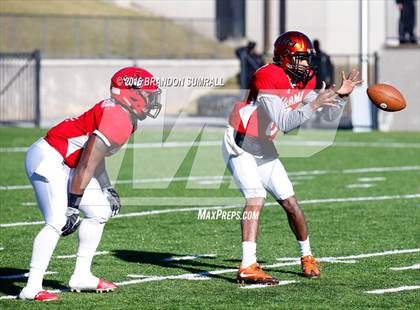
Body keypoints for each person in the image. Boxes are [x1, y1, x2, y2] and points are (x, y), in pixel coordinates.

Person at [222, 31, 362, 285]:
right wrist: (316, 103)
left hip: (263, 145)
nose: (307, 64)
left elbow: (330, 118)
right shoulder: (268, 76)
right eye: (301, 58)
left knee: (291, 204)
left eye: (308, 58)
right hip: (240, 142)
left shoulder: (304, 79)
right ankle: (247, 266)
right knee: (256, 198)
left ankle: (307, 256)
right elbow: (285, 122)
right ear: (285, 58)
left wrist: (341, 96)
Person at [19, 67, 162, 301]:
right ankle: (31, 287)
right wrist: (72, 206)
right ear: (131, 93)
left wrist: (106, 187)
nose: (153, 100)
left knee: (100, 211)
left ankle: (81, 275)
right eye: (149, 94)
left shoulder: (125, 116)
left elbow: (95, 156)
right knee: (57, 220)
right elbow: (86, 163)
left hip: (68, 162)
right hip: (49, 157)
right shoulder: (117, 116)